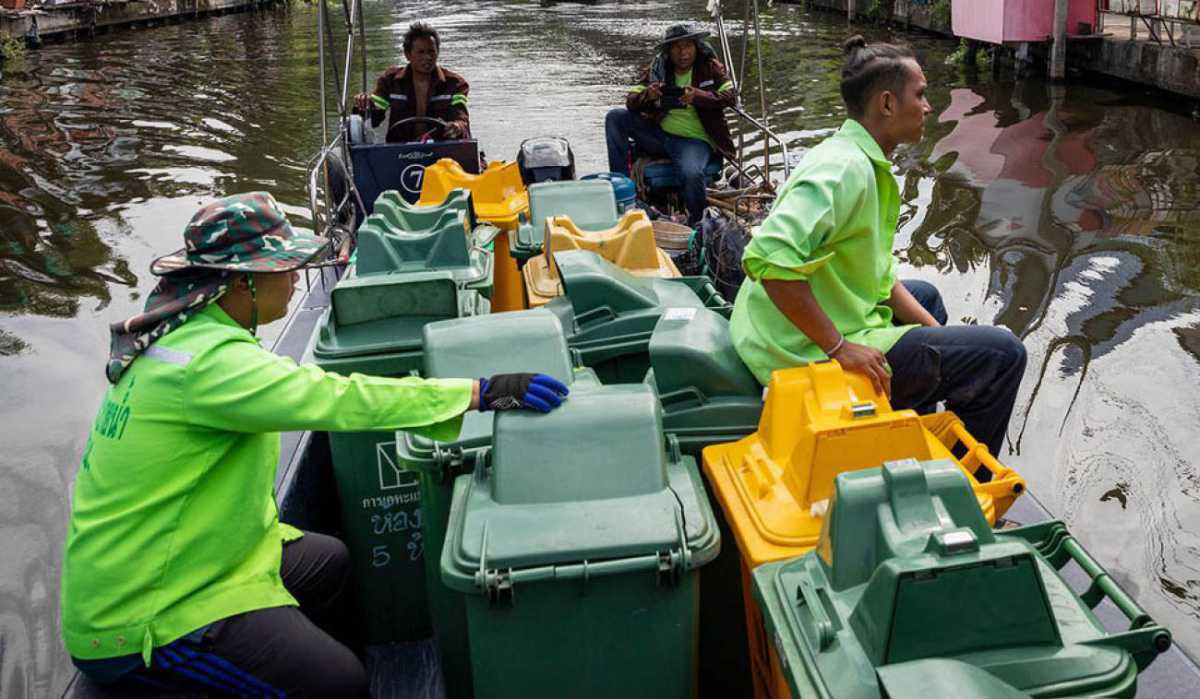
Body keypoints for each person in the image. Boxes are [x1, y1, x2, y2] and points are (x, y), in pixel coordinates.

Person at [60, 192, 568, 697]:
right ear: (242, 282)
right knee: (338, 683)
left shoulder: (191, 341)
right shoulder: (208, 366)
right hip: (147, 612)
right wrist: (479, 392)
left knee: (329, 564)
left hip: (203, 554)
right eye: (285, 268)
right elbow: (340, 398)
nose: (298, 278)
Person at [729, 37, 1027, 456]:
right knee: (1003, 356)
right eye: (920, 95)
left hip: (782, 326)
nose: (927, 107)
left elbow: (878, 274)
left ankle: (900, 438)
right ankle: (967, 485)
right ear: (887, 104)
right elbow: (769, 258)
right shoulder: (844, 168)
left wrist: (942, 335)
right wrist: (840, 348)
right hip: (791, 350)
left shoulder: (858, 157)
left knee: (929, 301)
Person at [605, 24, 736, 225]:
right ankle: (621, 187)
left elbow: (730, 96)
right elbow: (631, 101)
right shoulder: (658, 69)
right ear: (669, 50)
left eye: (687, 46)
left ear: (696, 47)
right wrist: (648, 95)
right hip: (660, 135)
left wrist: (698, 96)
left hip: (694, 141)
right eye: (676, 47)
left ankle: (697, 222)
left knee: (692, 173)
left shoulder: (710, 67)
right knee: (615, 117)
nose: (682, 53)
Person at [353, 22, 470, 143]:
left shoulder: (455, 84)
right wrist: (363, 104)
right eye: (421, 52)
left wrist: (457, 126)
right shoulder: (391, 81)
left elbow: (461, 119)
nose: (428, 57)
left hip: (440, 152)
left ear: (437, 52)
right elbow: (374, 119)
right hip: (400, 151)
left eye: (431, 52)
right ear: (407, 55)